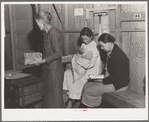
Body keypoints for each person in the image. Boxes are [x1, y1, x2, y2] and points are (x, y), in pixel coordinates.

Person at [80, 33, 130, 108]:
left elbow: (117, 77)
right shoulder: (111, 51)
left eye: (102, 46)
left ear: (109, 43)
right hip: (112, 80)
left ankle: (93, 110)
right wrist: (99, 78)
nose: (102, 48)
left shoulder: (119, 56)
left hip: (119, 84)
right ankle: (93, 107)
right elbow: (109, 70)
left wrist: (103, 80)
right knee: (87, 85)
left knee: (89, 90)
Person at [30, 11, 64, 108]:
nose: (38, 26)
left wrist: (42, 61)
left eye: (38, 24)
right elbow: (50, 51)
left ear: (42, 22)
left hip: (54, 72)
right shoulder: (47, 33)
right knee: (50, 100)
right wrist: (40, 57)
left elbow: (58, 53)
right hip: (49, 71)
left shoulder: (53, 32)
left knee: (55, 101)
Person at [63, 27, 102, 108]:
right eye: (83, 39)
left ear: (91, 37)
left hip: (91, 72)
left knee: (75, 85)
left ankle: (71, 103)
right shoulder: (84, 45)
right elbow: (79, 56)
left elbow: (89, 64)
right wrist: (77, 58)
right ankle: (71, 100)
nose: (84, 41)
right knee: (67, 74)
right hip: (81, 69)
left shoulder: (95, 47)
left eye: (86, 39)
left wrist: (77, 59)